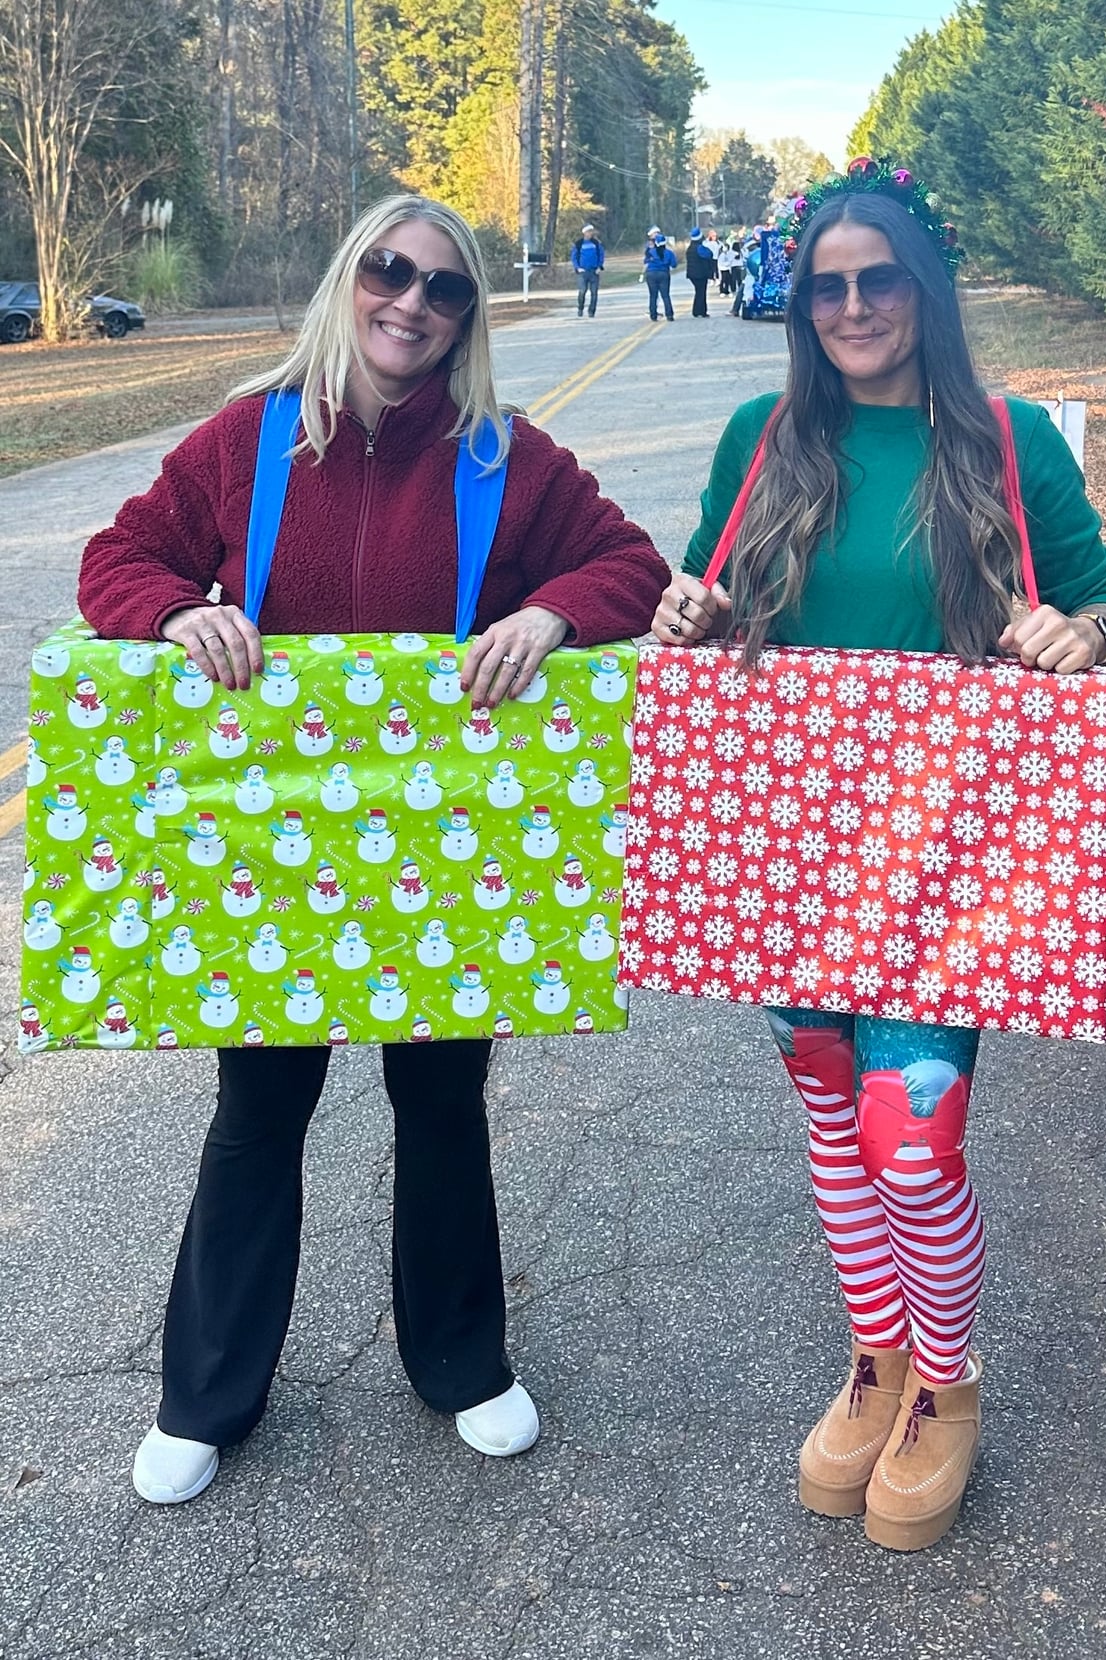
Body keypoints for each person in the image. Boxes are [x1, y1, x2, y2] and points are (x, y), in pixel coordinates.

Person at [78, 192, 670, 1506]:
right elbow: (118, 558)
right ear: (349, 279)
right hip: (274, 850)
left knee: (442, 1103)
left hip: (444, 847)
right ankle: (207, 1392)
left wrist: (555, 617)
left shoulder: (503, 458)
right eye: (389, 272)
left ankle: (460, 1362)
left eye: (445, 287)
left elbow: (628, 564)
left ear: (466, 319)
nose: (411, 302)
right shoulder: (248, 439)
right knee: (258, 1110)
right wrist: (171, 613)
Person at [650, 159, 1106, 1551]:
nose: (853, 307)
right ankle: (878, 1357)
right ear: (800, 303)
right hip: (792, 848)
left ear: (925, 289)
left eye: (879, 281)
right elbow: (708, 589)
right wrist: (689, 613)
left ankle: (948, 1381)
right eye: (827, 287)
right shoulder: (762, 436)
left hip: (943, 855)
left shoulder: (1006, 439)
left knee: (909, 1145)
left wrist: (1083, 633)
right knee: (831, 1122)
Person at [571, 224, 605, 317]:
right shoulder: (579, 244)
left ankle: (591, 311)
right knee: (582, 291)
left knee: (594, 293)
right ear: (584, 233)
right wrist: (577, 267)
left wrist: (599, 266)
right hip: (583, 272)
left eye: (591, 231)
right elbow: (574, 257)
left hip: (594, 271)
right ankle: (580, 308)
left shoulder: (596, 243)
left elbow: (601, 255)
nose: (590, 233)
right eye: (588, 231)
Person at [643, 233, 677, 321]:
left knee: (653, 296)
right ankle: (669, 315)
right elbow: (674, 265)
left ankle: (653, 315)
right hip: (663, 274)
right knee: (665, 295)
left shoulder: (650, 252)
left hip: (651, 274)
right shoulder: (669, 253)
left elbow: (645, 262)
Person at [685, 228, 716, 318]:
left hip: (692, 274)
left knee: (698, 291)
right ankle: (701, 311)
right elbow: (709, 254)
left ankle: (697, 310)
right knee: (701, 292)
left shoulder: (690, 248)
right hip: (700, 274)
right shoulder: (699, 248)